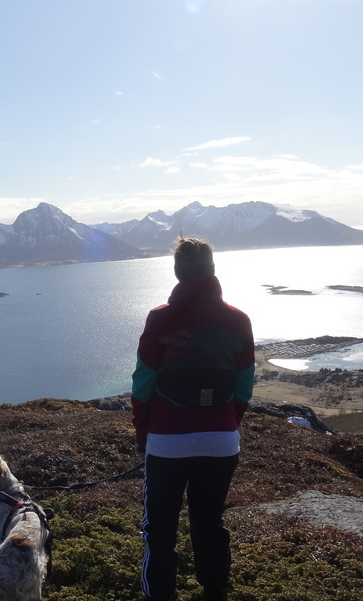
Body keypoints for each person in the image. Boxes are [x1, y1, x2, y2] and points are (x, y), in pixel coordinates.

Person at [131, 237, 255, 601]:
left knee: (160, 530)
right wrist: (226, 422)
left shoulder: (160, 319)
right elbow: (244, 387)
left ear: (177, 272)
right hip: (221, 442)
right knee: (209, 523)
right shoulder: (238, 320)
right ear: (213, 270)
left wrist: (143, 434)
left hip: (167, 442)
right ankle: (215, 593)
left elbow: (142, 386)